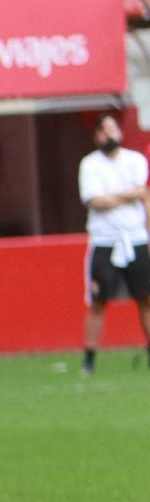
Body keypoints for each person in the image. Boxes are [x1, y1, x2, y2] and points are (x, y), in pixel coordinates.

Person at [76, 113, 150, 376]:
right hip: (105, 240)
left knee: (145, 299)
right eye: (103, 130)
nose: (109, 135)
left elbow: (144, 197)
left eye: (112, 129)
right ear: (96, 136)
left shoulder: (135, 160)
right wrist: (130, 195)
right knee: (98, 301)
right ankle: (89, 358)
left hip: (136, 238)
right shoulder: (90, 165)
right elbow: (96, 201)